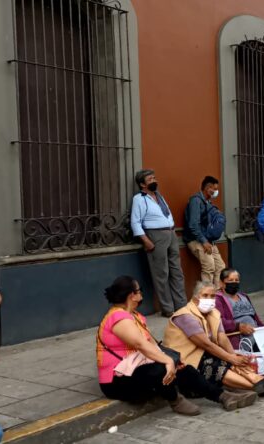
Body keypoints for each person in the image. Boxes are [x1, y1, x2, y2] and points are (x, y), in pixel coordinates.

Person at [97, 276, 206, 415]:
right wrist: (167, 360)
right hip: (115, 381)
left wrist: (172, 360)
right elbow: (140, 344)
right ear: (132, 295)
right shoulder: (118, 318)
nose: (141, 293)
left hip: (135, 367)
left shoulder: (133, 315)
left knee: (184, 368)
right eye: (139, 290)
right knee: (161, 369)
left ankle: (220, 395)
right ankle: (176, 400)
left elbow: (152, 344)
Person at [163, 281, 264, 398]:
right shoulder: (185, 316)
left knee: (231, 359)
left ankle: (257, 380)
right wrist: (230, 358)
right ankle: (258, 386)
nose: (209, 299)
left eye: (212, 296)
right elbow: (206, 344)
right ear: (195, 298)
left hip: (204, 353)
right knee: (216, 363)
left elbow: (222, 337)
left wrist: (233, 357)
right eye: (205, 295)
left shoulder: (214, 313)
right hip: (185, 360)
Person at [131, 169, 186, 316]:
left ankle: (181, 306)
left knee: (177, 271)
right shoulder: (139, 199)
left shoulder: (159, 196)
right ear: (142, 184)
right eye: (150, 179)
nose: (154, 181)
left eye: (154, 178)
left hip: (171, 233)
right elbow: (135, 222)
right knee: (161, 274)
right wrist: (146, 240)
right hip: (155, 236)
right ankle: (168, 309)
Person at [183, 176, 226, 285]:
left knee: (220, 267)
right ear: (208, 188)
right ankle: (208, 299)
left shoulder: (208, 202)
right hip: (197, 240)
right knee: (209, 267)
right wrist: (204, 241)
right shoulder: (196, 201)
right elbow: (193, 224)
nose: (216, 192)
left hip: (208, 240)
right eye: (215, 189)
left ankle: (217, 297)